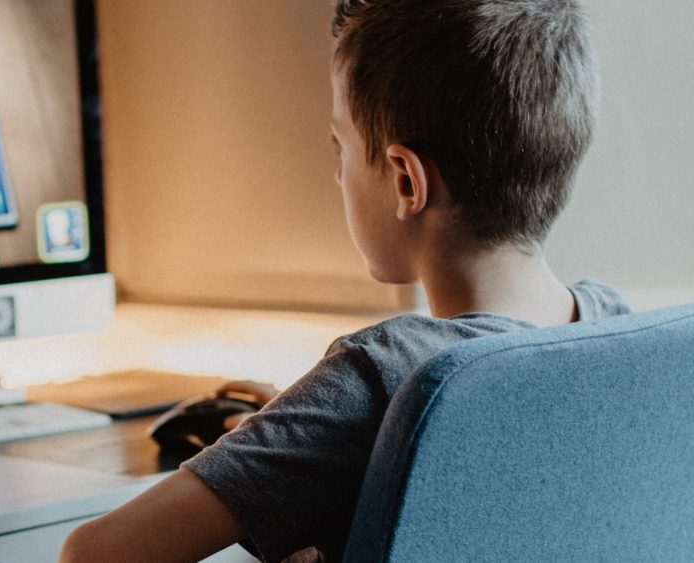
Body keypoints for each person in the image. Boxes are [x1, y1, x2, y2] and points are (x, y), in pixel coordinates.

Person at [59, 1, 631, 561]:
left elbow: (94, 554)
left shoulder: (380, 376)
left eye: (343, 145)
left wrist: (323, 415)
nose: (337, 172)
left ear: (407, 182)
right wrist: (299, 427)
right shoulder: (621, 330)